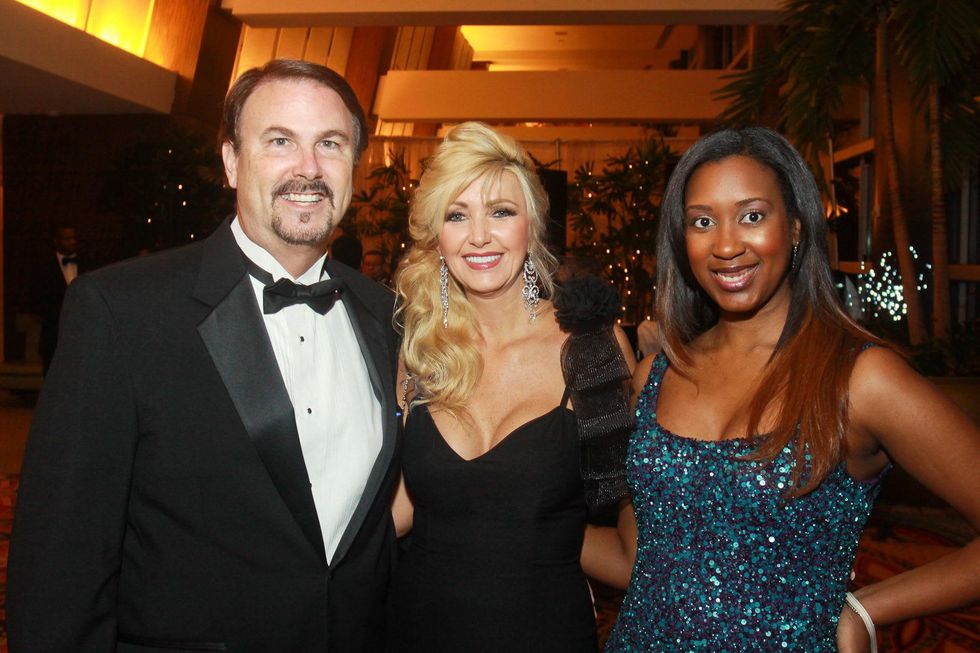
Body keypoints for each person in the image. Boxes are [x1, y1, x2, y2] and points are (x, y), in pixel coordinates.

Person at [8, 59, 401, 652]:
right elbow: (60, 561)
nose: (309, 169)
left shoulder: (387, 317)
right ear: (231, 162)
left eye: (330, 143)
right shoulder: (121, 311)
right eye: (279, 142)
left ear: (353, 164)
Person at [605, 127, 980, 652]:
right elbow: (642, 558)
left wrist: (868, 610)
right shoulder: (657, 376)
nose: (727, 244)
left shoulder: (858, 378)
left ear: (798, 228)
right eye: (702, 222)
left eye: (753, 216)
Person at [388, 122, 637, 651]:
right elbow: (404, 509)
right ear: (438, 236)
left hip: (545, 632)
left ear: (532, 226)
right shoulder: (420, 348)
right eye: (458, 215)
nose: (479, 236)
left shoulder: (591, 347)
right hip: (415, 630)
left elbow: (635, 516)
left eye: (501, 212)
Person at [36, 225, 84, 374]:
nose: (72, 242)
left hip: (82, 331)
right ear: (56, 241)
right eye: (67, 239)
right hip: (54, 333)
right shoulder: (44, 268)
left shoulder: (88, 264)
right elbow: (39, 300)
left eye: (74, 238)